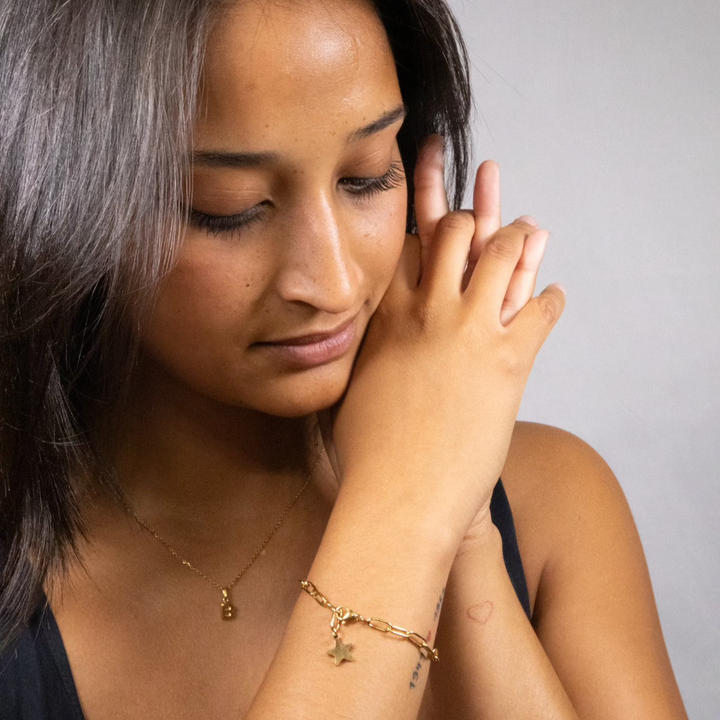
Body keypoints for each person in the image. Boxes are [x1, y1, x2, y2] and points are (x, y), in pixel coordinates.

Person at [0, 0, 688, 718]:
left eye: (365, 177)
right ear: (63, 201)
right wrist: (407, 501)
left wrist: (466, 525)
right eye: (227, 208)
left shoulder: (555, 503)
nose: (331, 284)